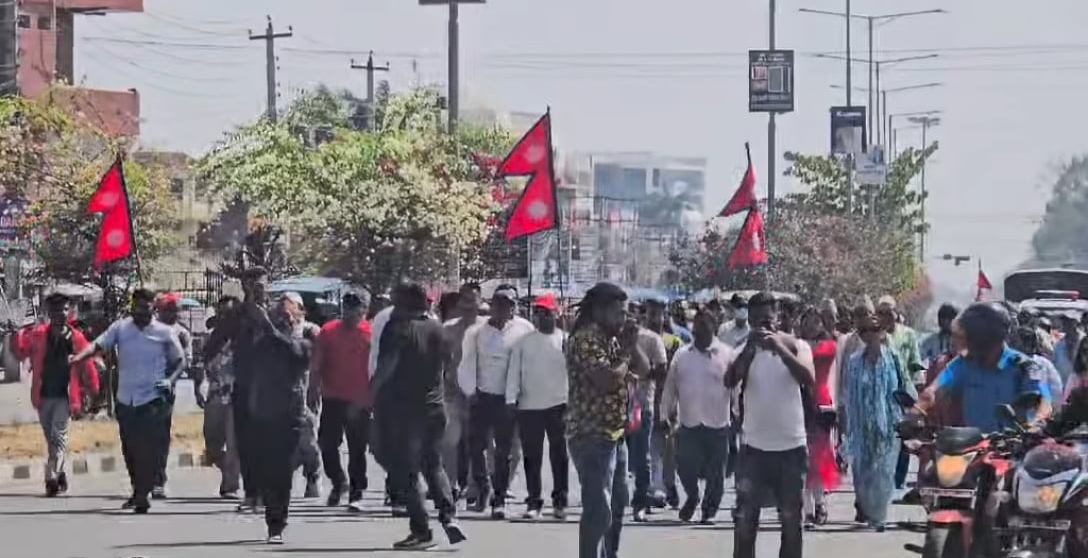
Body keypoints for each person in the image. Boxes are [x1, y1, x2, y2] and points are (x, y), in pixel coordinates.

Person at [70, 288, 184, 514]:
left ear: (153, 308)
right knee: (130, 448)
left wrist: (170, 381)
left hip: (152, 399)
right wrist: (78, 358)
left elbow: (180, 360)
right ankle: (137, 489)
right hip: (126, 398)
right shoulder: (120, 328)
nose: (140, 312)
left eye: (145, 307)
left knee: (147, 449)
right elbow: (97, 345)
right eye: (137, 307)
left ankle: (142, 494)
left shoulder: (164, 332)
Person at [372, 283, 466, 550]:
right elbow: (449, 366)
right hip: (435, 408)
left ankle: (421, 531)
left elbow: (386, 366)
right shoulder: (438, 329)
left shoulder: (398, 328)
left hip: (405, 410)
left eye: (395, 300)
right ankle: (449, 516)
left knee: (406, 469)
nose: (392, 307)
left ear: (406, 302)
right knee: (433, 463)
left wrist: (371, 394)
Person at [725, 291, 815, 558]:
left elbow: (808, 379)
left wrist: (779, 348)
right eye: (756, 321)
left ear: (778, 318)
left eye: (767, 319)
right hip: (754, 449)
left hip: (791, 448)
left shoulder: (798, 346)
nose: (762, 326)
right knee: (745, 521)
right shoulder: (743, 349)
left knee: (791, 521)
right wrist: (749, 350)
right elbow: (729, 381)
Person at [567, 282, 649, 558]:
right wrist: (625, 353)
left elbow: (644, 369)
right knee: (598, 510)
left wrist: (632, 345)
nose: (623, 319)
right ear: (599, 311)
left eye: (626, 313)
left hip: (615, 434)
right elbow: (607, 379)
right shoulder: (585, 339)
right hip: (591, 435)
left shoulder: (612, 339)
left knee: (617, 505)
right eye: (618, 313)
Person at [913, 303, 1052, 434]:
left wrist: (1036, 423)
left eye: (970, 339)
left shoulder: (1023, 367)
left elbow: (1044, 403)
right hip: (971, 444)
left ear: (987, 339)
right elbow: (933, 390)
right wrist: (915, 413)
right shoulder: (965, 363)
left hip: (1011, 446)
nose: (966, 344)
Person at [242, 293, 314, 543]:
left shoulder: (303, 345)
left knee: (282, 473)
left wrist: (267, 325)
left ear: (297, 319)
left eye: (288, 316)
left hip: (289, 418)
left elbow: (294, 353)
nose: (283, 321)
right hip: (262, 415)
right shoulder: (262, 344)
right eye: (278, 316)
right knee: (264, 470)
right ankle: (269, 510)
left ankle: (276, 524)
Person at [458, 284, 534, 519]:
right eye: (499, 304)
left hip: (508, 399)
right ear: (492, 306)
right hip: (481, 396)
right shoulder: (477, 331)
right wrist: (470, 390)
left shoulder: (524, 330)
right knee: (475, 447)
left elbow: (528, 365)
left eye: (510, 305)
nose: (504, 309)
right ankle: (483, 487)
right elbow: (466, 362)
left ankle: (498, 499)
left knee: (504, 452)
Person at [204, 266, 275, 513]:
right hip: (243, 386)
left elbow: (288, 344)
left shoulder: (277, 312)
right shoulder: (237, 315)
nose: (257, 289)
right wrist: (214, 368)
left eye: (260, 284)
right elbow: (214, 345)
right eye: (251, 285)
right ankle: (246, 491)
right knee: (240, 441)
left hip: (270, 387)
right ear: (244, 287)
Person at [15, 292, 98, 497]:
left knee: (59, 438)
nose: (60, 313)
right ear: (49, 312)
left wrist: (93, 388)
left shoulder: (76, 337)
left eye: (64, 309)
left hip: (65, 397)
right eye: (55, 310)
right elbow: (21, 352)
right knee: (51, 439)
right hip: (42, 396)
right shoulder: (38, 334)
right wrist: (15, 335)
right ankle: (60, 473)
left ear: (69, 311)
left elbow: (87, 364)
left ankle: (50, 477)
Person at [660, 311, 734, 524]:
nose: (698, 328)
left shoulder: (727, 354)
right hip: (689, 422)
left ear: (714, 326)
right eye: (696, 324)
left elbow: (736, 387)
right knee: (685, 466)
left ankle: (709, 511)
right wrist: (665, 414)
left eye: (703, 324)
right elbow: (670, 387)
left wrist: (738, 412)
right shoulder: (682, 355)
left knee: (716, 473)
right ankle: (692, 496)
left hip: (718, 422)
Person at [843, 315, 912, 532]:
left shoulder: (893, 357)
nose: (869, 334)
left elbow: (905, 384)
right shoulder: (854, 361)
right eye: (863, 330)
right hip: (861, 425)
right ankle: (867, 508)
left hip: (888, 423)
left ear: (881, 332)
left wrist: (910, 414)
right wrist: (845, 420)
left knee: (884, 470)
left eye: (873, 329)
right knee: (862, 472)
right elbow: (848, 393)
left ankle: (879, 515)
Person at [506, 293, 569, 520]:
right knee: (532, 457)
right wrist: (510, 399)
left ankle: (560, 502)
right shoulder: (524, 342)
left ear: (556, 314)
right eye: (538, 312)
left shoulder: (566, 341)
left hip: (559, 405)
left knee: (559, 456)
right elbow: (514, 371)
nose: (541, 316)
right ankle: (534, 502)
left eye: (546, 312)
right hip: (529, 406)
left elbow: (574, 373)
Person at [311, 291, 373, 510]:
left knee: (357, 448)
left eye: (356, 307)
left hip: (360, 399)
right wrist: (313, 389)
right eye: (347, 307)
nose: (351, 312)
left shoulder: (371, 333)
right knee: (327, 444)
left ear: (364, 310)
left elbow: (378, 367)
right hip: (332, 397)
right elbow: (317, 364)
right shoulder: (328, 331)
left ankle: (356, 492)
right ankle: (339, 482)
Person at [441, 284, 486, 502]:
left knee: (476, 443)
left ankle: (474, 485)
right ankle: (450, 485)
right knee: (449, 441)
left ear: (480, 302)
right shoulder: (448, 328)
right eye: (465, 299)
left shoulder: (487, 327)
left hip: (480, 394)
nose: (468, 304)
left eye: (473, 299)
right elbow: (440, 360)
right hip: (452, 392)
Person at [798, 307, 840, 528]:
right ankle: (807, 509)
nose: (811, 326)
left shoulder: (830, 345)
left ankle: (820, 502)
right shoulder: (796, 345)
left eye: (815, 321)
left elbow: (836, 375)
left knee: (819, 457)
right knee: (803, 458)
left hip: (823, 402)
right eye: (807, 321)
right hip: (800, 402)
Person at [875, 296, 923, 490]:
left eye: (889, 312)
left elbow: (915, 362)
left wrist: (916, 388)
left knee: (904, 437)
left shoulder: (908, 334)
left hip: (904, 392)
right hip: (881, 393)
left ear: (896, 313)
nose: (885, 317)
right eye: (881, 313)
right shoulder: (875, 336)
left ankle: (898, 480)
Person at [152, 292, 192, 500]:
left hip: (165, 391)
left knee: (160, 436)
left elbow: (185, 361)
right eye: (168, 310)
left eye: (176, 310)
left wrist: (170, 378)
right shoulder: (147, 330)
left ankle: (158, 480)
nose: (173, 313)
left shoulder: (181, 333)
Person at [629, 309, 667, 522]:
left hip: (642, 406)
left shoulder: (652, 339)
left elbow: (660, 371)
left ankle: (640, 502)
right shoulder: (610, 336)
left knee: (642, 457)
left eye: (633, 314)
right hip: (613, 406)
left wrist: (633, 345)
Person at [202, 296, 242, 499]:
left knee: (234, 443)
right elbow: (202, 364)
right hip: (215, 396)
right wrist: (197, 387)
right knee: (212, 447)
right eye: (222, 313)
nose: (225, 317)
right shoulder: (212, 338)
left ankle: (231, 484)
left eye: (229, 313)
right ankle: (228, 469)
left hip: (237, 397)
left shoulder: (245, 338)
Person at [647, 298, 684, 510]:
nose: (653, 318)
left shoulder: (674, 342)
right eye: (650, 313)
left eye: (657, 313)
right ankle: (655, 488)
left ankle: (669, 485)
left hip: (670, 401)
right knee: (651, 448)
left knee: (670, 450)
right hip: (648, 402)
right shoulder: (640, 339)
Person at [1012, 326, 1063, 405]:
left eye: (1028, 340)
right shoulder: (1009, 362)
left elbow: (1056, 388)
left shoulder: (1042, 363)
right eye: (1023, 340)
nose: (1025, 344)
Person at [1053, 314, 1082, 386]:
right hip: (1063, 384)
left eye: (1069, 322)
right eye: (1064, 323)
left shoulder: (1083, 342)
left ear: (1075, 323)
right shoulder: (1059, 344)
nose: (1065, 325)